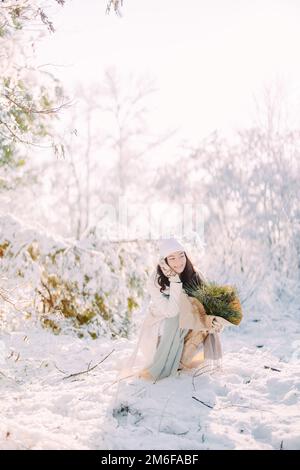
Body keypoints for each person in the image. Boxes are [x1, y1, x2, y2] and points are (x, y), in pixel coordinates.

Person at [116, 237, 225, 385]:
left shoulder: (195, 275)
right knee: (179, 320)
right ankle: (169, 362)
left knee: (205, 325)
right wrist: (175, 282)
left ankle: (183, 362)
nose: (178, 261)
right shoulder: (155, 280)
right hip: (161, 325)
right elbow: (171, 312)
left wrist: (217, 320)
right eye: (172, 258)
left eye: (181, 255)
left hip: (188, 321)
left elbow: (210, 304)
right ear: (164, 260)